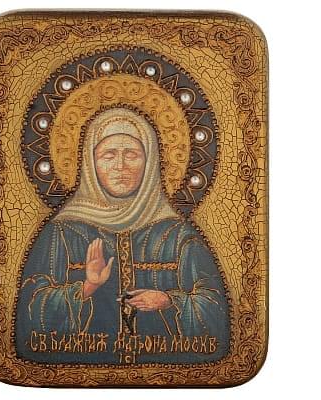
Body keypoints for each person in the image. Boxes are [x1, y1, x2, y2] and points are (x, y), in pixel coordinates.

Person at [15, 107, 230, 364]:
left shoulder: (178, 234)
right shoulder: (62, 231)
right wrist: (87, 286)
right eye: (108, 155)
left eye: (131, 154)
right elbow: (31, 314)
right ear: (90, 163)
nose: (120, 166)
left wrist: (168, 300)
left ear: (150, 162)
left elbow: (214, 310)